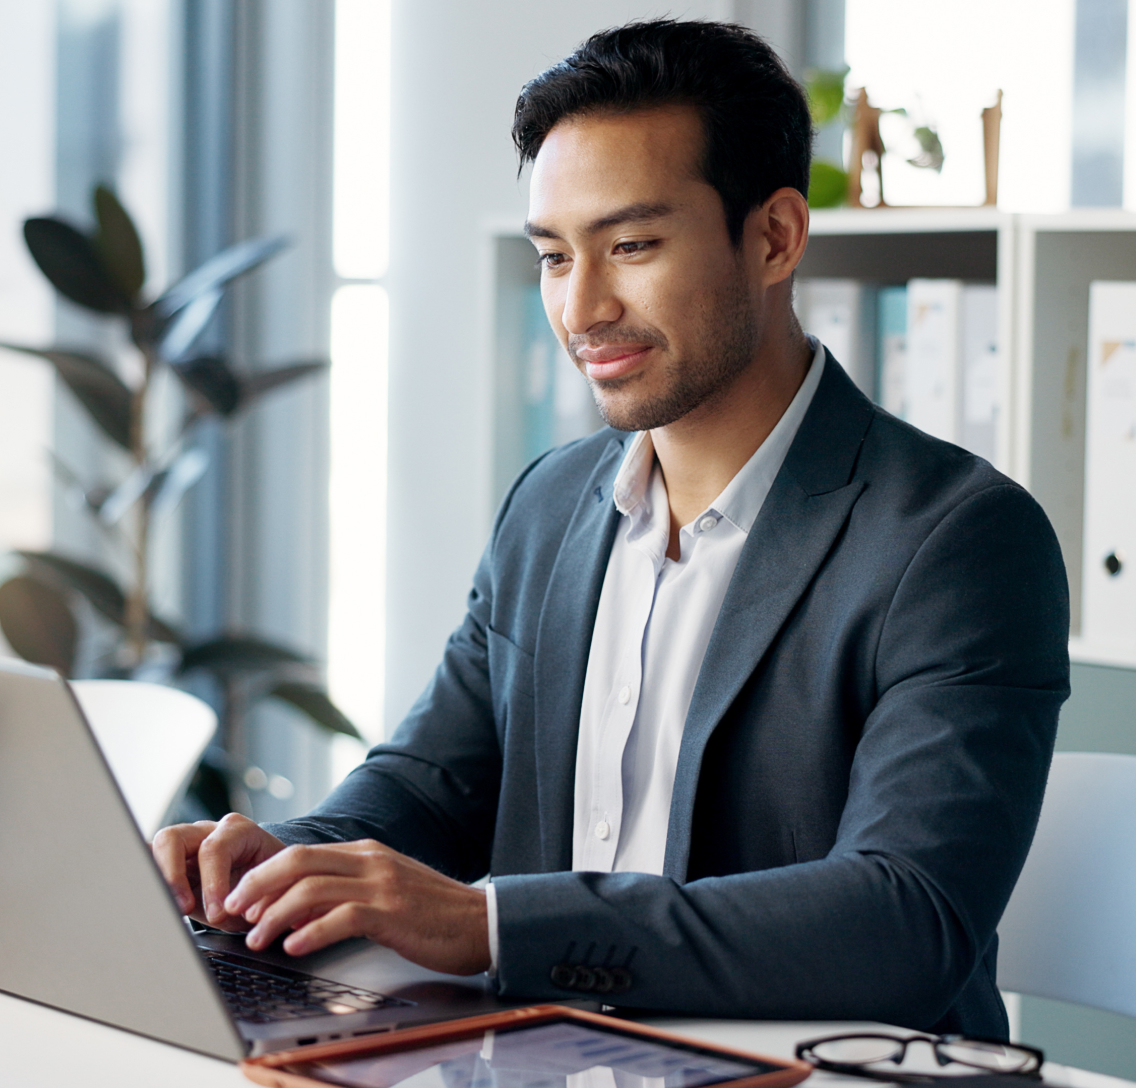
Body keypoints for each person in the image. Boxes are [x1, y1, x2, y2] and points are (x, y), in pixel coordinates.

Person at [153, 19, 1070, 1036]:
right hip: (559, 1055)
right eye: (553, 255)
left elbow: (902, 922)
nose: (580, 307)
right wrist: (265, 863)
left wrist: (492, 924)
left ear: (773, 236)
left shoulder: (958, 539)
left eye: (630, 245)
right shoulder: (548, 504)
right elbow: (428, 785)